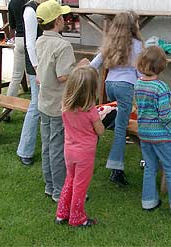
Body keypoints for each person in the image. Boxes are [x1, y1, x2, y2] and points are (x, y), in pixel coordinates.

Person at [84, 11, 144, 186]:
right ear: (133, 26)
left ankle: (106, 122)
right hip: (126, 87)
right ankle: (116, 170)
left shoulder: (110, 43)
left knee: (118, 119)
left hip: (109, 85)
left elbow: (94, 64)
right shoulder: (137, 44)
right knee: (121, 129)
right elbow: (140, 72)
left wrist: (80, 76)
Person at [134, 46, 171, 220]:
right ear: (161, 66)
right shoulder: (161, 88)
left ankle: (148, 201)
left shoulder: (138, 84)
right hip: (162, 136)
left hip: (144, 134)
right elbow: (165, 116)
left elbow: (138, 108)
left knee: (150, 167)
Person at [16, 0, 61, 166]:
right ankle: (25, 149)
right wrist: (37, 69)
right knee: (36, 105)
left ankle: (52, 145)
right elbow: (30, 43)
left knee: (47, 104)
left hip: (48, 63)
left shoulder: (50, 6)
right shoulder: (30, 9)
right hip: (37, 66)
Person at [35, 0, 75, 202]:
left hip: (44, 101)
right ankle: (60, 191)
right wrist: (82, 68)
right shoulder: (63, 45)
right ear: (58, 20)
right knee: (58, 147)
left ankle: (50, 186)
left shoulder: (40, 41)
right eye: (62, 16)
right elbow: (63, 76)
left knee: (47, 145)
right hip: (59, 104)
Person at [56, 66, 104, 227]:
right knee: (80, 185)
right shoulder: (90, 110)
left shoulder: (65, 106)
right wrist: (101, 118)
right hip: (85, 153)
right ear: (91, 90)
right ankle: (77, 217)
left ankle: (62, 213)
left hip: (69, 151)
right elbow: (100, 131)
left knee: (70, 179)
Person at [4, 0, 31, 121]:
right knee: (36, 75)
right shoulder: (32, 1)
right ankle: (38, 107)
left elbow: (12, 25)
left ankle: (7, 110)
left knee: (16, 76)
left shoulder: (13, 2)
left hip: (20, 39)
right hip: (32, 39)